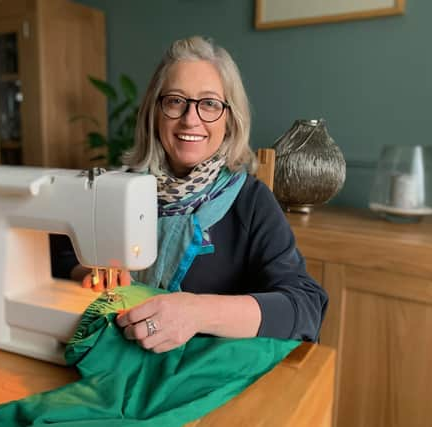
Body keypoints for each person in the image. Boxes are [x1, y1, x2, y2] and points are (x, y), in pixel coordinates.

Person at [53, 35, 327, 353]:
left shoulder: (251, 201)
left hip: (201, 376)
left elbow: (306, 306)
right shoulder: (115, 188)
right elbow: (60, 252)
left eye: (209, 103)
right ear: (154, 113)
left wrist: (197, 313)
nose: (190, 119)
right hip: (112, 361)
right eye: (175, 101)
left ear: (230, 118)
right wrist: (90, 271)